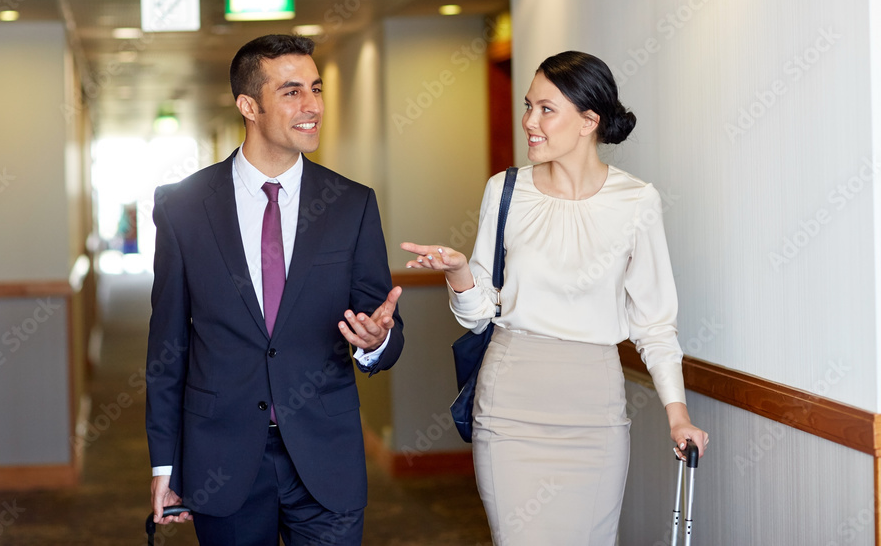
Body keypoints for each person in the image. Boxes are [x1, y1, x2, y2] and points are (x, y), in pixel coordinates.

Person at [401, 51, 708, 546]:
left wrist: (678, 415)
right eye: (528, 106)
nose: (529, 122)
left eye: (546, 109)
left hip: (595, 410)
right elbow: (479, 314)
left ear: (589, 121)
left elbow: (654, 324)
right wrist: (459, 271)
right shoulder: (505, 190)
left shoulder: (636, 202)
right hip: (509, 409)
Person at [146, 34, 404, 546]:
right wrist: (165, 463)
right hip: (222, 457)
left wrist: (375, 344)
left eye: (315, 88)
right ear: (248, 106)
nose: (312, 106)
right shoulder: (184, 207)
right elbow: (168, 346)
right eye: (291, 92)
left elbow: (386, 331)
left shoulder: (351, 204)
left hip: (326, 458)